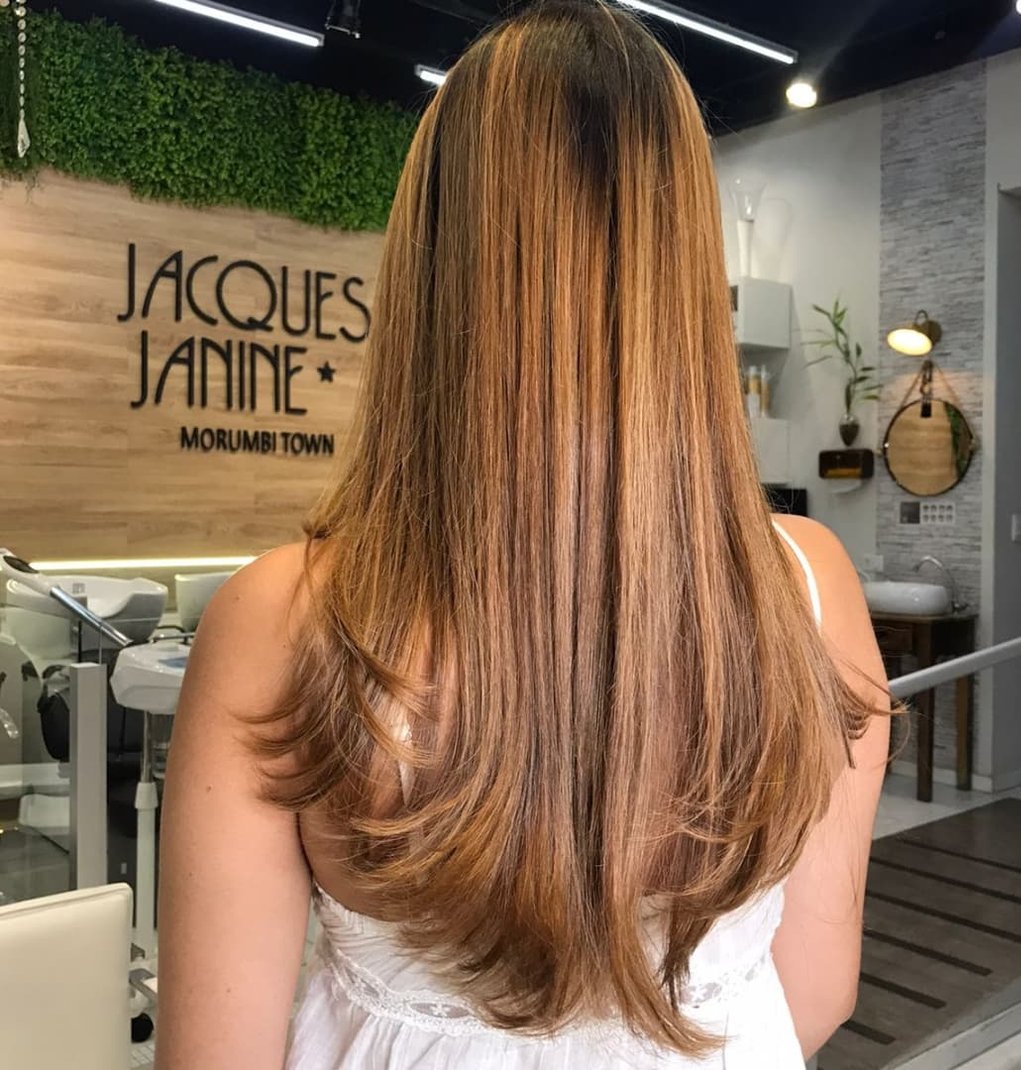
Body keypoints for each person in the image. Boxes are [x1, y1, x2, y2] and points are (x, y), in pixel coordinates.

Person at [155, 2, 890, 1067]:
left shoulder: (281, 622)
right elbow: (815, 990)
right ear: (684, 270)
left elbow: (212, 1056)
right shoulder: (808, 587)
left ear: (429, 259)